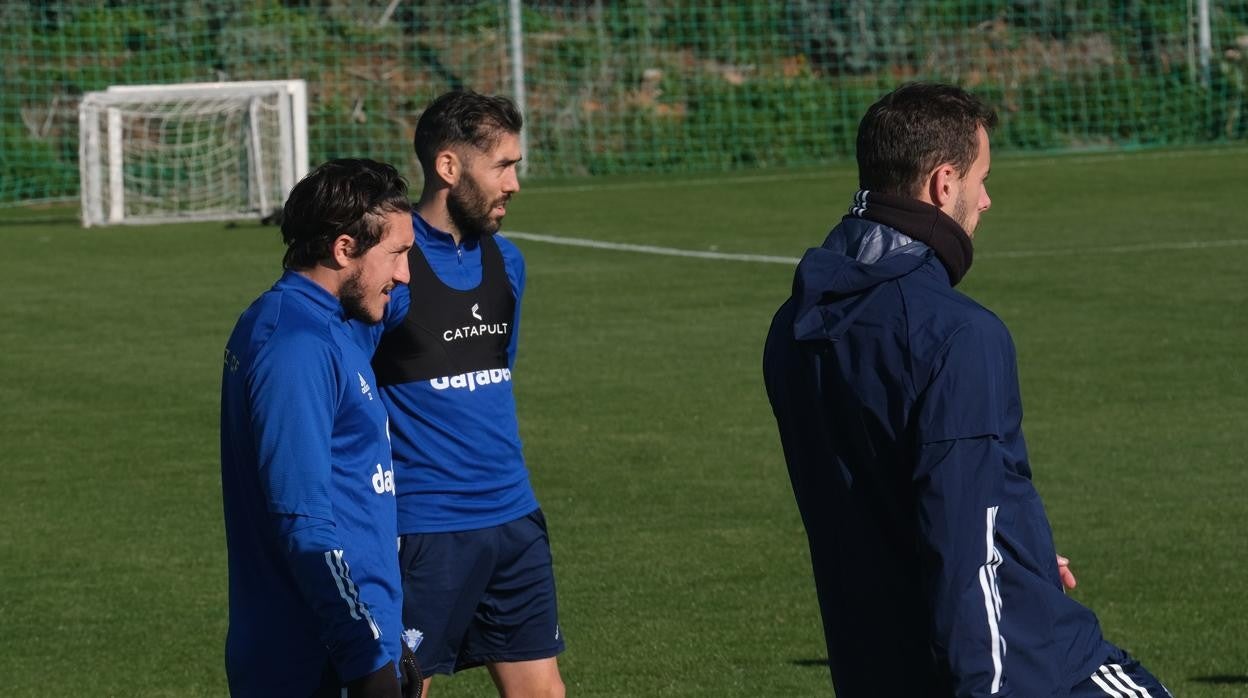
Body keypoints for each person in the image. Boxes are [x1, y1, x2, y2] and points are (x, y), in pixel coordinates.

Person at [762, 83, 1171, 697]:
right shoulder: (958, 334)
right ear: (943, 183)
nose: (987, 198)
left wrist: (1022, 549)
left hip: (878, 667)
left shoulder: (791, 329)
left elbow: (887, 499)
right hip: (1021, 668)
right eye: (981, 177)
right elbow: (960, 543)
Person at [353, 91, 565, 697]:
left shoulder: (510, 263)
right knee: (401, 689)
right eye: (502, 165)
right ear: (449, 167)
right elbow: (352, 390)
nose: (515, 183)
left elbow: (498, 372)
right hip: (424, 526)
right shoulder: (390, 264)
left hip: (513, 518)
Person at [220, 158, 421, 697]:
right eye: (397, 255)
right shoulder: (296, 348)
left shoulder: (329, 323)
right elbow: (302, 521)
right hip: (315, 658)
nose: (404, 275)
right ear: (344, 249)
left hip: (353, 638)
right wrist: (365, 655)